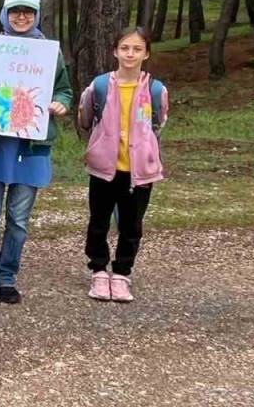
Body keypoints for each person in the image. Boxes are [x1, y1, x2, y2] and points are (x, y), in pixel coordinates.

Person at [0, 0, 73, 304]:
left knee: (19, 220)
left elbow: (64, 90)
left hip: (31, 147)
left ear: (36, 15)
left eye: (27, 12)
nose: (21, 17)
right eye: (15, 11)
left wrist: (61, 104)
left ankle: (7, 276)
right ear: (5, 14)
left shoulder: (49, 53)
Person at [77, 27, 168, 303]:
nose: (130, 54)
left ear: (146, 54)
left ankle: (122, 274)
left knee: (132, 225)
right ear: (115, 51)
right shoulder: (99, 86)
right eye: (125, 48)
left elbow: (158, 123)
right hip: (104, 168)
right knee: (98, 222)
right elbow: (85, 119)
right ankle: (98, 270)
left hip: (139, 171)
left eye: (137, 49)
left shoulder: (156, 89)